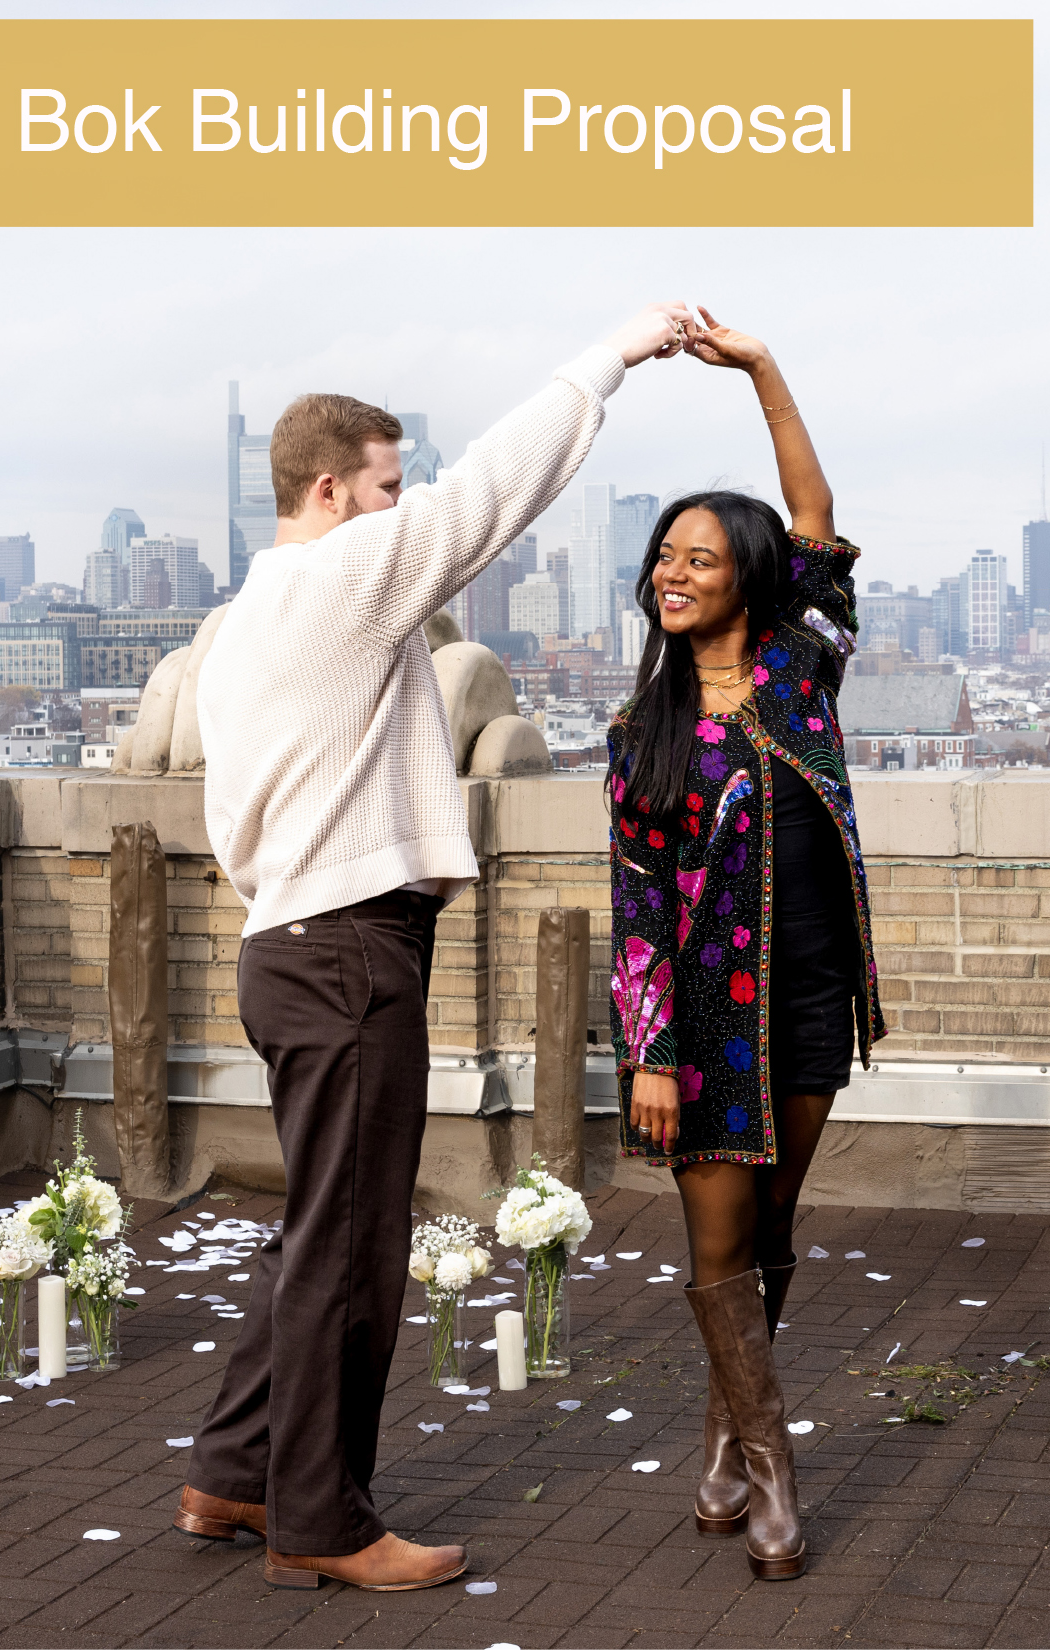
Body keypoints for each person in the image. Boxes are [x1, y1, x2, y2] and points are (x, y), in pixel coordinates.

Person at [176, 300, 695, 1592]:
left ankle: (236, 1473)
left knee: (319, 1224)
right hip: (349, 953)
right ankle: (323, 1521)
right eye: (390, 486)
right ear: (333, 488)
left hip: (290, 939)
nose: (409, 508)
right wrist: (612, 358)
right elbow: (491, 500)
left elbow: (234, 812)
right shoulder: (341, 577)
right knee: (351, 1249)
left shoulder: (244, 622)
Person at [607, 308, 885, 1583]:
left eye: (700, 558)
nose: (672, 572)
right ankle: (772, 1481)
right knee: (716, 1243)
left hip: (815, 995)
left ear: (748, 581)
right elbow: (637, 908)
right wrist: (649, 1056)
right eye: (663, 555)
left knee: (771, 1226)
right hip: (706, 1025)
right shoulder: (642, 729)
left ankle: (725, 1438)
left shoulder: (796, 667)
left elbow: (815, 515)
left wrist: (763, 372)